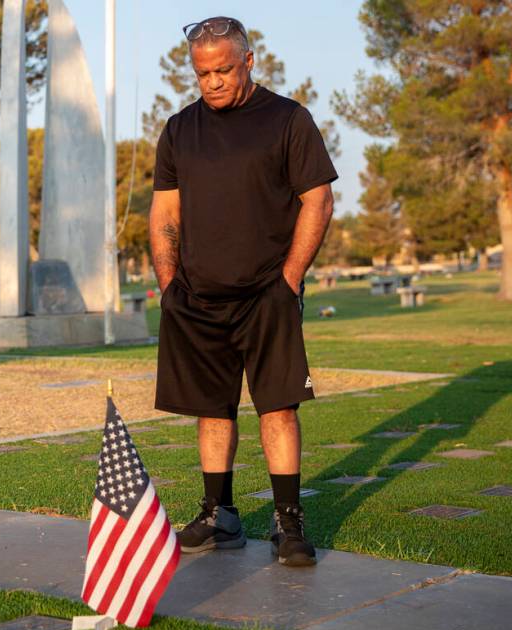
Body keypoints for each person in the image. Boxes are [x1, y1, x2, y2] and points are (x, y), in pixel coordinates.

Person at [149, 16, 337, 566]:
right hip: (198, 298)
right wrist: (169, 284)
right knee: (213, 409)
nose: (212, 82)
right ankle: (219, 515)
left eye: (223, 70)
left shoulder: (287, 119)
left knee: (277, 406)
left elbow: (318, 200)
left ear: (249, 61)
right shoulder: (180, 129)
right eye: (202, 73)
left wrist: (290, 277)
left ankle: (288, 521)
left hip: (266, 293)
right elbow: (164, 212)